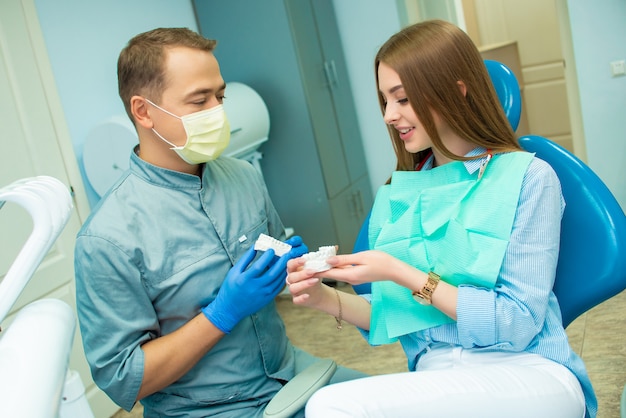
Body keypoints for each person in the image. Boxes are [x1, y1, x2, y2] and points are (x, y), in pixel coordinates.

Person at [285, 20, 596, 418]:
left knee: (331, 406)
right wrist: (322, 298)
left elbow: (517, 325)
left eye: (402, 99)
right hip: (440, 376)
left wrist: (403, 273)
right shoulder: (397, 194)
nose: (388, 115)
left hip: (530, 372)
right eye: (384, 101)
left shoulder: (530, 179)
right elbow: (397, 316)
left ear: (455, 91)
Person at [74, 27, 365, 417]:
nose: (217, 111)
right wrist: (221, 314)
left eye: (220, 96)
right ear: (143, 112)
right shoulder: (107, 239)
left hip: (286, 371)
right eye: (199, 101)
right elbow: (126, 378)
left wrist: (292, 268)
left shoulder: (242, 176)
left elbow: (276, 262)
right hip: (207, 408)